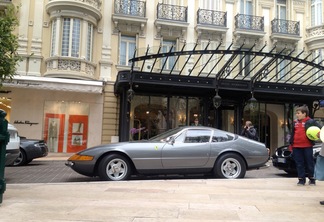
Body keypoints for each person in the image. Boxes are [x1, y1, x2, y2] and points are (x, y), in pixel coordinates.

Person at [289, 105, 322, 186]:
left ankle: (312, 179)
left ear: (304, 114)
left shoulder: (311, 121)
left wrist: (318, 134)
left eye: (298, 113)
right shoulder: (295, 123)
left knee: (309, 163)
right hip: (296, 146)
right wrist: (291, 144)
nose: (297, 115)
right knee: (299, 163)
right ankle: (301, 179)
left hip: (307, 146)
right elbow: (293, 134)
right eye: (296, 113)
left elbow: (321, 129)